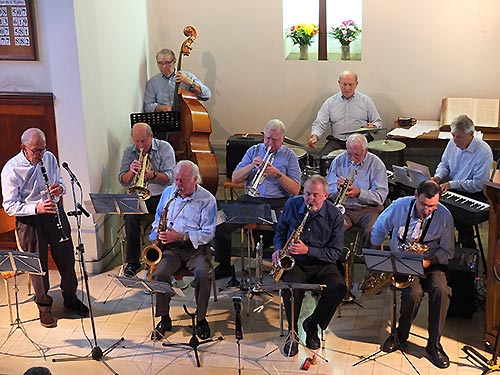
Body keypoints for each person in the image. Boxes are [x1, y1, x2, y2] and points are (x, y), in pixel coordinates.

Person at [1, 128, 88, 328]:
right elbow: (9, 206)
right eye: (36, 151)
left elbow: (61, 183)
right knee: (37, 264)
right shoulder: (11, 169)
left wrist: (60, 189)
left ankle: (70, 298)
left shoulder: (48, 157)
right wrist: (36, 207)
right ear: (24, 148)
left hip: (53, 211)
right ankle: (44, 306)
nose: (41, 155)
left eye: (43, 149)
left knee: (66, 256)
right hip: (30, 219)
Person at [371, 179, 455, 369]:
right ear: (416, 196)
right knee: (412, 293)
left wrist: (427, 262)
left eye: (432, 206)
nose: (427, 211)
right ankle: (401, 335)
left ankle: (434, 345)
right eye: (424, 205)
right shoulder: (399, 206)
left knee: (441, 290)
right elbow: (378, 229)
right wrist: (377, 258)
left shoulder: (444, 215)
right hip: (404, 261)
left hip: (431, 262)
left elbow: (447, 251)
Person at [214, 119, 301, 279]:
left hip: (279, 202)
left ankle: (284, 267)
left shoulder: (290, 156)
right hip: (251, 200)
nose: (270, 143)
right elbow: (235, 178)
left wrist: (278, 174)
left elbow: (296, 189)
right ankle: (224, 266)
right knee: (221, 223)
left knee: (289, 230)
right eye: (268, 138)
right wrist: (251, 167)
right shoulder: (253, 151)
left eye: (275, 140)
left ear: (282, 139)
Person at [273, 175, 345, 357]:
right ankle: (293, 333)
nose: (310, 200)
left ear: (326, 196)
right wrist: (278, 249)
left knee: (338, 288)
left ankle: (312, 325)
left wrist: (308, 250)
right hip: (296, 263)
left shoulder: (335, 215)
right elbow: (280, 230)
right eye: (307, 194)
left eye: (315, 195)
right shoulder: (293, 204)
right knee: (291, 289)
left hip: (322, 263)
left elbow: (335, 253)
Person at [149, 160, 217, 341]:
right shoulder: (167, 193)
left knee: (204, 274)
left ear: (195, 180)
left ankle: (201, 319)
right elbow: (157, 218)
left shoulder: (207, 199)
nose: (178, 185)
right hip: (171, 249)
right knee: (160, 273)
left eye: (183, 181)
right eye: (176, 180)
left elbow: (208, 233)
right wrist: (158, 234)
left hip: (196, 248)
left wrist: (181, 236)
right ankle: (164, 318)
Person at [118, 122, 176, 276]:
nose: (140, 145)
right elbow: (122, 180)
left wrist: (153, 175)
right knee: (130, 217)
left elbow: (170, 178)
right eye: (136, 141)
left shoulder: (165, 148)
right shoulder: (129, 152)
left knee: (166, 218)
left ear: (152, 137)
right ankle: (133, 262)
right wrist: (131, 172)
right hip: (139, 196)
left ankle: (161, 259)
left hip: (161, 196)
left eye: (143, 141)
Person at [431, 114, 493, 248]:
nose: (454, 140)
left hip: (474, 193)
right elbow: (444, 164)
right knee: (430, 207)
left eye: (459, 137)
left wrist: (451, 184)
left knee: (457, 217)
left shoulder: (483, 151)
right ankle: (444, 246)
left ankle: (467, 251)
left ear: (471, 134)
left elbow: (478, 184)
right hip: (453, 187)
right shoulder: (452, 143)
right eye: (453, 135)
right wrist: (438, 177)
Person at [326, 133, 388, 245]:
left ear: (366, 150)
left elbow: (380, 197)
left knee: (374, 232)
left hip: (368, 210)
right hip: (344, 208)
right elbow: (328, 189)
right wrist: (336, 188)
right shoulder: (338, 160)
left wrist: (359, 193)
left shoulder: (377, 165)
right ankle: (334, 260)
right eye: (349, 154)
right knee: (333, 228)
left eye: (356, 154)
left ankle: (371, 261)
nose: (352, 158)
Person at [308, 70, 383, 155]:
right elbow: (319, 123)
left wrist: (373, 126)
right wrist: (314, 136)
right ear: (339, 83)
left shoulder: (366, 101)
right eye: (344, 84)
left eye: (350, 85)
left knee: (373, 159)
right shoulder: (330, 102)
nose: (347, 88)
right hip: (338, 142)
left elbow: (378, 122)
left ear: (356, 84)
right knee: (323, 160)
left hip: (360, 141)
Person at [143, 48, 211, 113]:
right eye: (160, 63)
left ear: (174, 61)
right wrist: (161, 108)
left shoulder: (187, 76)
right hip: (165, 120)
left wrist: (189, 82)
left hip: (187, 118)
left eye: (167, 63)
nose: (164, 66)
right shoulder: (152, 82)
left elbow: (207, 95)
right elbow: (147, 106)